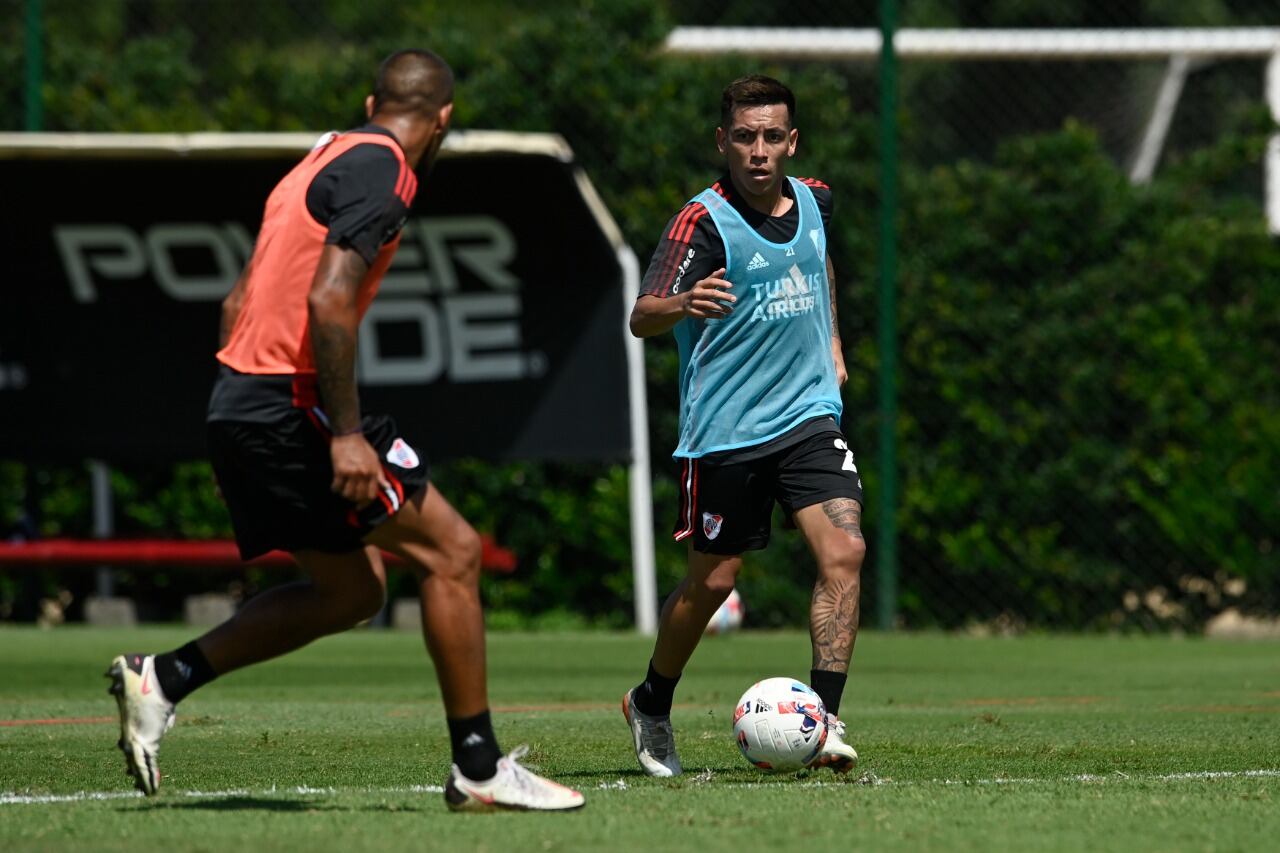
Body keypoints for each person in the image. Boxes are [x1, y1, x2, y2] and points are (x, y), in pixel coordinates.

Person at [105, 49, 583, 813]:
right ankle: (480, 767)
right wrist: (345, 435)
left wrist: (258, 398)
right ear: (445, 119)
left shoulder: (317, 160)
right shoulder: (389, 170)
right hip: (290, 405)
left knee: (352, 587)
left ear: (371, 101)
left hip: (240, 400)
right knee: (454, 552)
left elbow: (235, 306)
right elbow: (331, 303)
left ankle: (163, 678)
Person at [622, 75, 865, 777]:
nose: (758, 151)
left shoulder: (815, 198)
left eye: (771, 137)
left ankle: (823, 721)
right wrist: (683, 301)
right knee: (714, 581)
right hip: (726, 430)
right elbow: (642, 316)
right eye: (744, 137)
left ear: (792, 141)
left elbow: (818, 260)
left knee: (844, 550)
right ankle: (651, 700)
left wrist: (835, 344)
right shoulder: (700, 222)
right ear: (722, 141)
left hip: (808, 415)